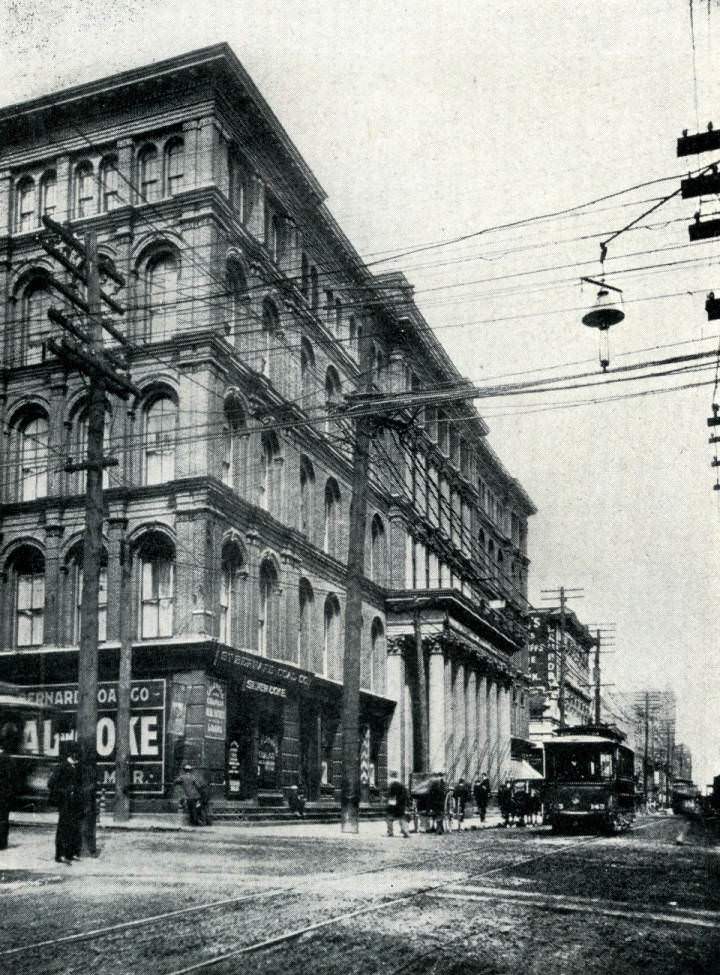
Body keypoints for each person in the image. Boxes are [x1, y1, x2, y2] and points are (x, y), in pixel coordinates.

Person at [48, 750, 83, 863]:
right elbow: (51, 783)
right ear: (72, 754)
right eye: (76, 754)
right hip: (64, 803)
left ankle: (71, 853)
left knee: (74, 828)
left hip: (74, 803)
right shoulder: (62, 767)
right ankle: (60, 855)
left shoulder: (76, 767)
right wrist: (64, 791)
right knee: (63, 828)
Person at [0, 744, 17, 851]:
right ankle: (2, 843)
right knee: (3, 819)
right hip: (5, 795)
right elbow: (14, 779)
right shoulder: (10, 760)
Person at [385, 770, 409, 837]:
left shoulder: (392, 785)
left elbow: (391, 796)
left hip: (393, 805)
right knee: (402, 818)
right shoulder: (401, 785)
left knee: (389, 818)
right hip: (401, 805)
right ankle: (406, 832)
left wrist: (389, 804)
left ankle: (390, 832)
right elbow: (405, 795)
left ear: (391, 776)